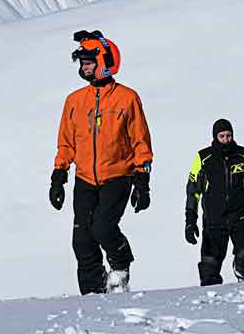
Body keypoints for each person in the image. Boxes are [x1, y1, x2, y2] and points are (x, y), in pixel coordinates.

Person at [48, 30, 153, 294]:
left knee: (103, 227)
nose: (83, 67)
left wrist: (142, 180)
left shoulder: (127, 98)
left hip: (118, 176)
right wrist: (59, 176)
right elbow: (66, 143)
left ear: (105, 62)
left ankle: (120, 266)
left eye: (89, 61)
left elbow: (140, 140)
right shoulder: (74, 101)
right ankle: (93, 294)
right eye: (81, 61)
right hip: (84, 179)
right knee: (82, 240)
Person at [185, 118, 244, 285]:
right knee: (209, 272)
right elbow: (193, 191)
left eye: (229, 135)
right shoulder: (203, 158)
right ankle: (213, 305)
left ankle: (242, 273)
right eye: (221, 136)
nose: (225, 140)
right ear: (215, 137)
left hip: (240, 217)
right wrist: (190, 220)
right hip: (213, 220)